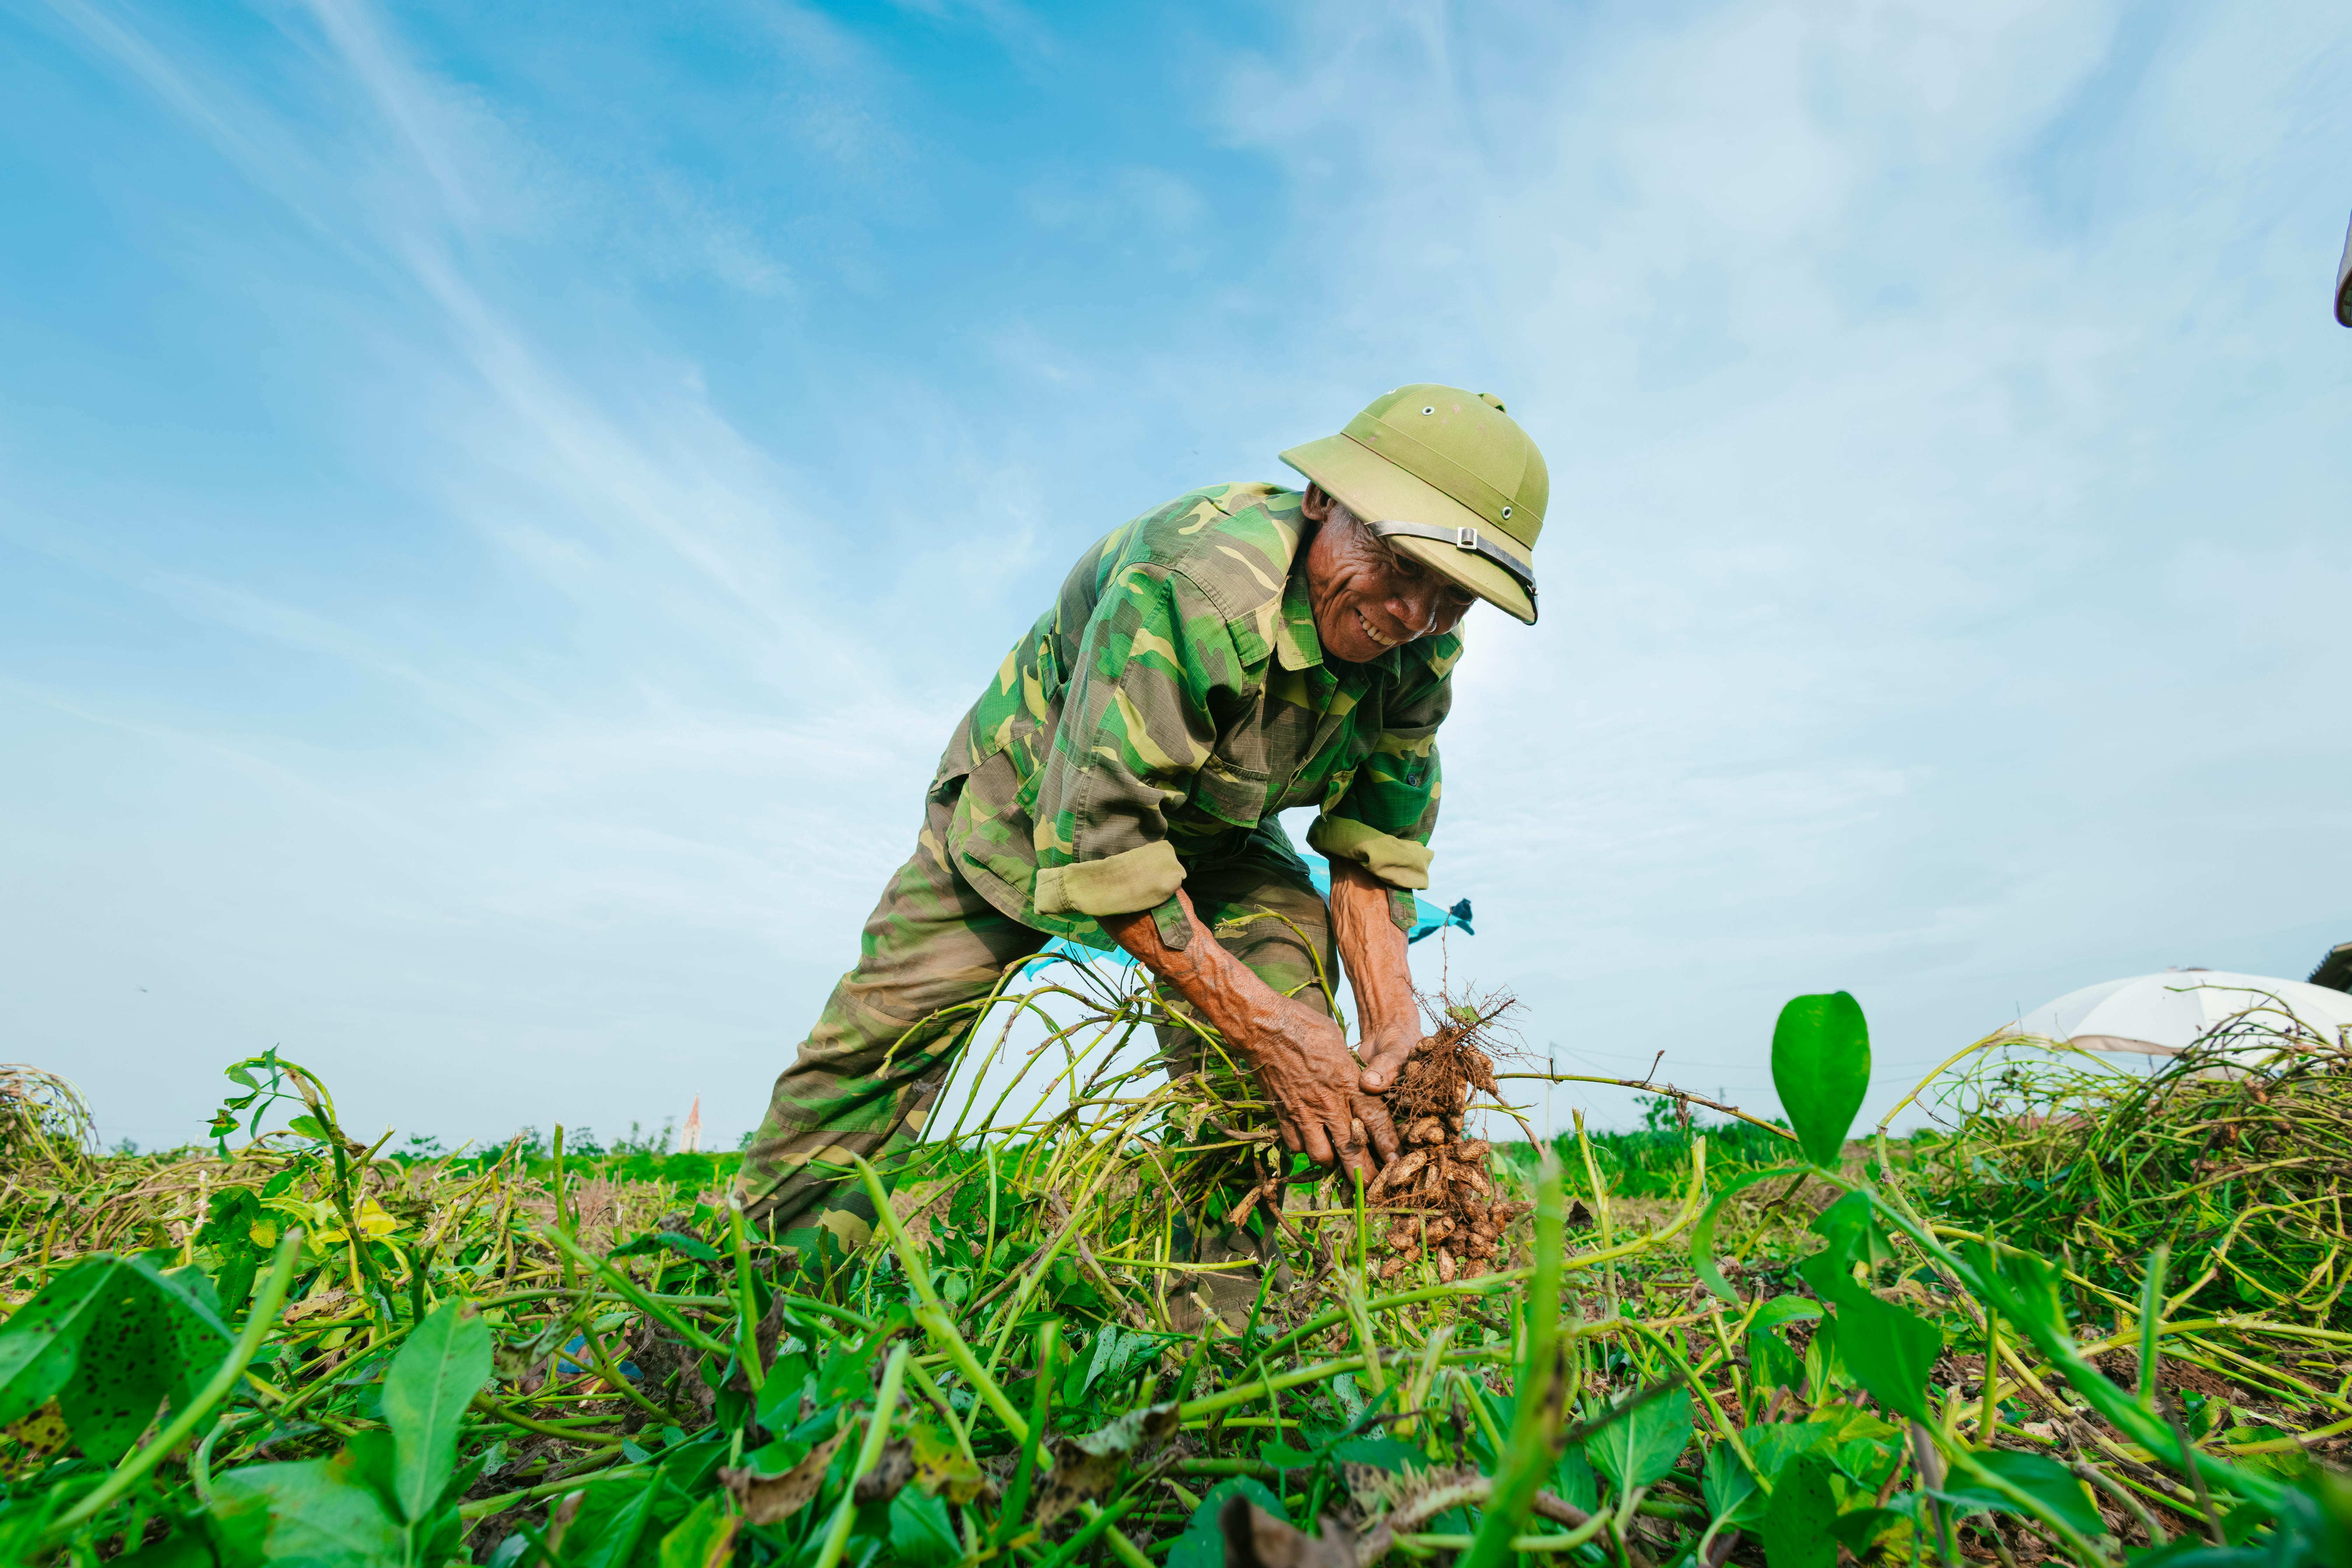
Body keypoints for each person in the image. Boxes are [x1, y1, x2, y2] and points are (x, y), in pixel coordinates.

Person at [738, 384, 1550, 1259]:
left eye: (1453, 596)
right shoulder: (1193, 584)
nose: (1414, 616)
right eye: (1399, 565)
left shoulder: (1421, 644)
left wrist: (1395, 1024)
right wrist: (1270, 1030)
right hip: (1032, 800)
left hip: (1220, 828)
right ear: (1324, 502)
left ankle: (1224, 1309)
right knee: (880, 1051)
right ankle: (759, 1286)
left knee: (1281, 1017)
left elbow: (1374, 843)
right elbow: (1108, 842)